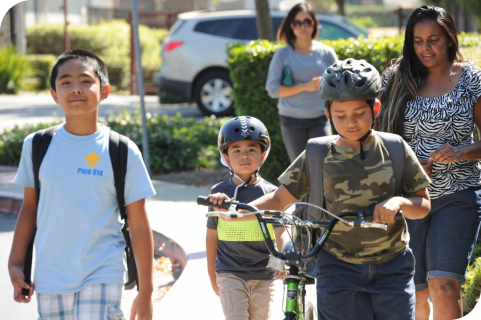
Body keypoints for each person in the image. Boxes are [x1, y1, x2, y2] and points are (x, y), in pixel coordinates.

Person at [210, 59, 432, 319]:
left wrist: (399, 203)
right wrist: (236, 210)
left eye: (359, 114)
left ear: (376, 108)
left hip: (392, 267)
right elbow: (280, 198)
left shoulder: (395, 148)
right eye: (340, 115)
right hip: (338, 270)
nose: (350, 122)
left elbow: (423, 205)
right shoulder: (317, 153)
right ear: (327, 114)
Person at [8, 49, 156, 320]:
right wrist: (15, 262)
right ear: (54, 94)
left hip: (104, 271)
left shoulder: (122, 150)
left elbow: (138, 224)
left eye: (86, 81)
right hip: (50, 277)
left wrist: (145, 292)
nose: (75, 88)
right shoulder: (37, 145)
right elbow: (29, 209)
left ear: (104, 91)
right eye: (65, 82)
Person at [375, 5, 481, 320]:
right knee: (414, 289)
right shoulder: (395, 78)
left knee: (444, 284)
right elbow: (374, 138)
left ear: (450, 39)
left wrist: (461, 151)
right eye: (418, 41)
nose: (425, 48)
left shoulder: (471, 79)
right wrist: (406, 163)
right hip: (407, 197)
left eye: (433, 39)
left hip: (458, 194)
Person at [206, 116, 289, 320]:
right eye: (237, 150)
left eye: (251, 149)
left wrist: (282, 258)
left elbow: (281, 231)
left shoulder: (271, 193)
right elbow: (211, 237)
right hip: (229, 273)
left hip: (264, 275)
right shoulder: (218, 194)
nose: (244, 156)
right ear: (226, 156)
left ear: (262, 154)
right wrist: (212, 275)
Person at [265, 2, 338, 162]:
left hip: (320, 117)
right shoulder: (282, 55)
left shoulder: (327, 53)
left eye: (307, 21)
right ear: (291, 26)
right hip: (291, 119)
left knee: (323, 165)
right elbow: (272, 89)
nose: (302, 26)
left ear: (314, 23)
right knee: (300, 171)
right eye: (297, 22)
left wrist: (326, 84)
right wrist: (305, 86)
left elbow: (338, 85)